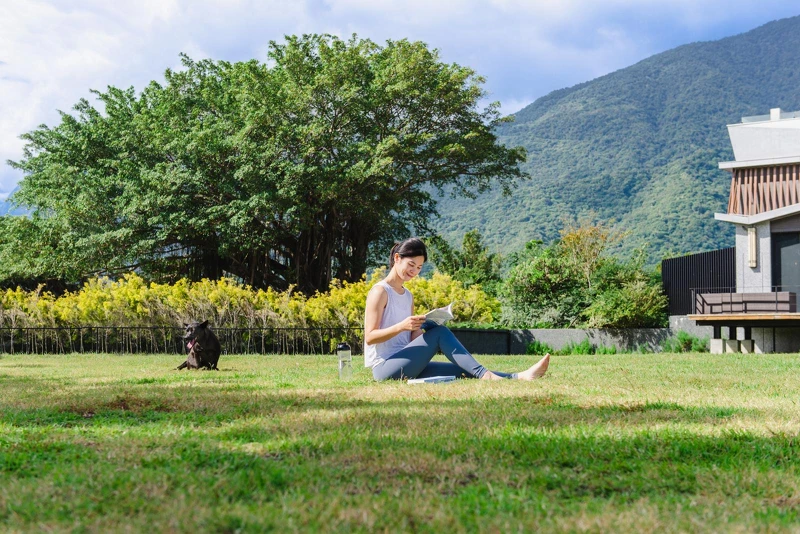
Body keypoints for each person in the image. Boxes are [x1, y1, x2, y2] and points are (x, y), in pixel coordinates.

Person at [364, 237, 550, 381]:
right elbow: (370, 337)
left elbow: (412, 338)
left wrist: (425, 325)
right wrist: (401, 326)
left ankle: (519, 376)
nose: (414, 271)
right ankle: (488, 377)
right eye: (411, 265)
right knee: (440, 334)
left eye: (419, 267)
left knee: (463, 369)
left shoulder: (408, 296)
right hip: (385, 368)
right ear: (397, 258)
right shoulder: (380, 291)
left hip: (408, 362)